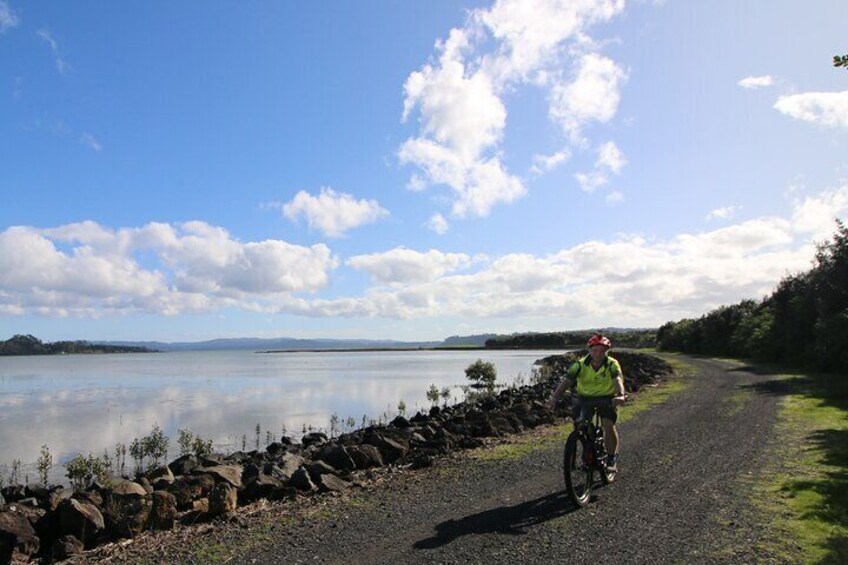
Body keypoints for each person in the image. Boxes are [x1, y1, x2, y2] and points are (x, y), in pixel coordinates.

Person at [548, 334, 627, 471]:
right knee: (579, 426)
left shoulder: (612, 364)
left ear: (607, 351)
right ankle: (581, 455)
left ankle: (611, 457)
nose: (598, 354)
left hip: (607, 397)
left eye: (602, 351)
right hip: (584, 398)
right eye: (595, 350)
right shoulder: (579, 365)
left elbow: (617, 380)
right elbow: (566, 382)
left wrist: (621, 395)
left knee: (608, 424)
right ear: (589, 350)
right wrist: (555, 397)